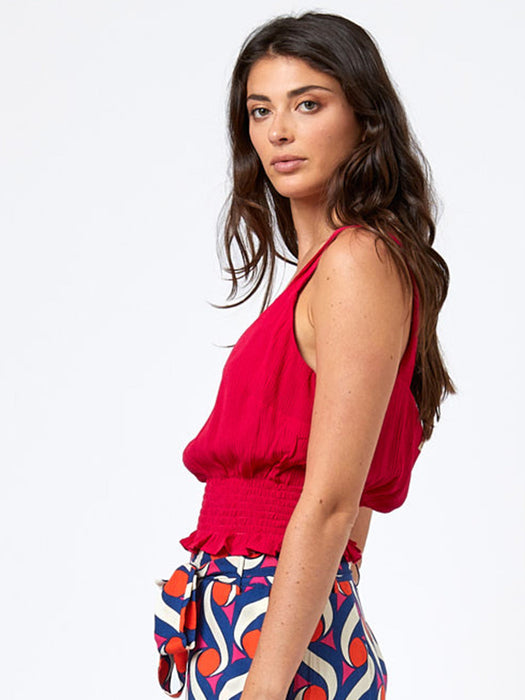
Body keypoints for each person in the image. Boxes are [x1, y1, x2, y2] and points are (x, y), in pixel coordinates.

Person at [154, 11, 455, 700]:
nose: (278, 132)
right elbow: (347, 502)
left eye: (308, 104)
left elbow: (333, 502)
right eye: (260, 110)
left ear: (364, 119)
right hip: (252, 618)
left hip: (270, 632)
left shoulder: (357, 261)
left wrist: (267, 682)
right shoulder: (328, 271)